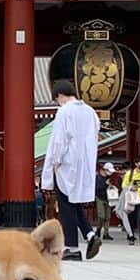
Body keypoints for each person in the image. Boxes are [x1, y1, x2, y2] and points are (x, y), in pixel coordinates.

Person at [41, 80, 101, 262]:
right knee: (75, 203)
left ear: (59, 95)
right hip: (85, 164)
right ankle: (90, 235)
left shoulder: (64, 112)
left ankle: (72, 247)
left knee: (66, 206)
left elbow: (59, 140)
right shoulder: (91, 113)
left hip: (66, 164)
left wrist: (56, 161)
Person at [95, 161, 116, 241]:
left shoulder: (109, 178)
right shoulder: (98, 177)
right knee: (101, 216)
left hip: (108, 198)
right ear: (105, 169)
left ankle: (106, 233)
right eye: (109, 171)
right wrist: (106, 184)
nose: (110, 173)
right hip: (99, 198)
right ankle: (98, 230)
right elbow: (97, 188)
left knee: (107, 216)